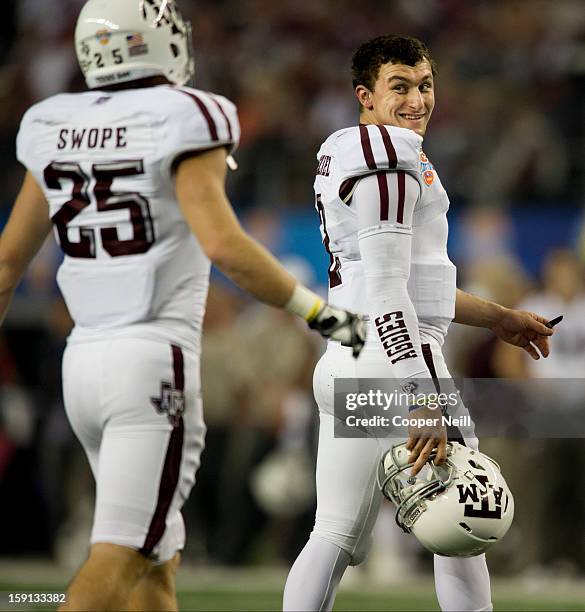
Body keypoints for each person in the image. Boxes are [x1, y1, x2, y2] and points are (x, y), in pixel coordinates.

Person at [0, 1, 366, 610]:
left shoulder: (52, 123)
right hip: (150, 363)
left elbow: (8, 264)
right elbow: (224, 245)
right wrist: (321, 314)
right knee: (122, 556)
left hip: (82, 365)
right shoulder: (185, 115)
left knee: (156, 565)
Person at [283, 34, 554, 612]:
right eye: (399, 87)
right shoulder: (390, 155)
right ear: (365, 95)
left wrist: (498, 316)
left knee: (331, 535)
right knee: (463, 529)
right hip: (397, 360)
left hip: (347, 351)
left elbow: (412, 284)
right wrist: (421, 394)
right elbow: (388, 291)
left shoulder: (352, 149)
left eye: (425, 85)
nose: (417, 99)